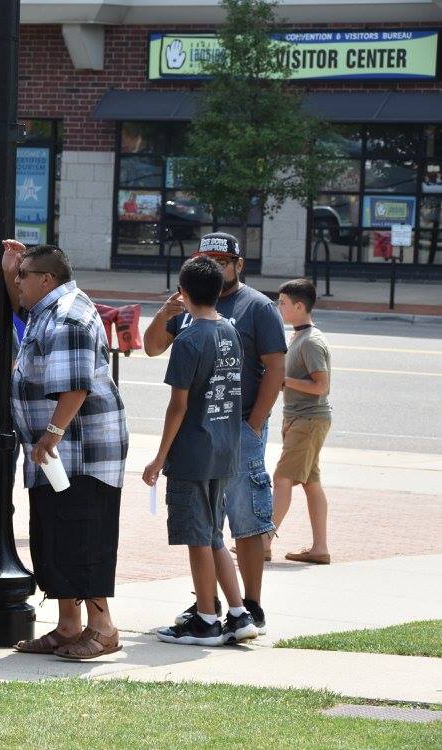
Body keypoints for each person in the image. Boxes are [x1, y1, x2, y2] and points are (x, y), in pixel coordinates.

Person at [144, 232, 286, 634]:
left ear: (239, 264)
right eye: (208, 259)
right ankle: (215, 605)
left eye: (223, 260)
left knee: (244, 519)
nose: (217, 265)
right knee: (210, 528)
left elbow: (275, 368)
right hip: (206, 433)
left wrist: (254, 424)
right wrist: (164, 312)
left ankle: (247, 605)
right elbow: (152, 346)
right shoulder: (192, 313)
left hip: (233, 429)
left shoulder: (256, 307)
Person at [3, 241, 128, 661]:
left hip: (81, 454)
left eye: (23, 276)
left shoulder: (69, 317)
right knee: (55, 537)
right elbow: (21, 305)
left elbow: (75, 386)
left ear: (46, 280)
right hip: (58, 456)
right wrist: (10, 268)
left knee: (82, 539)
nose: (17, 283)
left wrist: (50, 436)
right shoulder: (48, 309)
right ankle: (68, 627)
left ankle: (104, 629)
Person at [270, 278, 333, 565]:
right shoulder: (298, 336)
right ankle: (319, 548)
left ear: (298, 306)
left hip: (308, 419)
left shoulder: (311, 341)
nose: (278, 307)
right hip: (300, 419)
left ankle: (262, 541)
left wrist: (282, 380)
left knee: (282, 478)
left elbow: (322, 387)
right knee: (310, 483)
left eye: (282, 303)